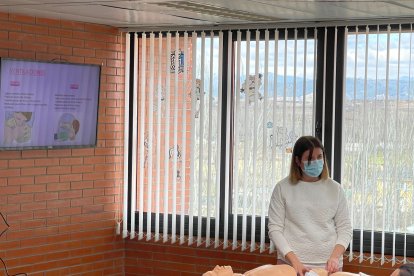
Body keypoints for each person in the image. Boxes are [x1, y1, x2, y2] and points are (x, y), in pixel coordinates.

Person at [268, 136, 353, 276]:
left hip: (328, 266)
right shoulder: (282, 188)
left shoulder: (335, 189)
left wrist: (334, 257)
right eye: (310, 158)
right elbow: (275, 229)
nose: (316, 162)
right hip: (290, 265)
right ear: (297, 160)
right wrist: (295, 262)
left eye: (319, 157)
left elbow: (345, 229)